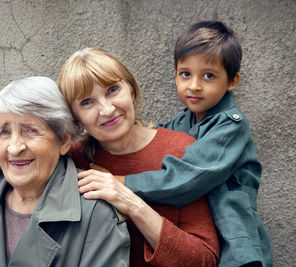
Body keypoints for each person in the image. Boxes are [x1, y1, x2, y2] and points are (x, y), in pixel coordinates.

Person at [100, 21, 271, 267]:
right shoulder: (178, 124)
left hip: (235, 243)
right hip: (197, 235)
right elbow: (150, 144)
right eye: (186, 74)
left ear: (232, 81)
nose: (194, 85)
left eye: (209, 76)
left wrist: (122, 183)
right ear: (175, 76)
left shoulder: (231, 127)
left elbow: (187, 177)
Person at [0, 76, 130, 267]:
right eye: (5, 132)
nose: (14, 147)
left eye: (30, 131)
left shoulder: (97, 214)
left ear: (64, 141)